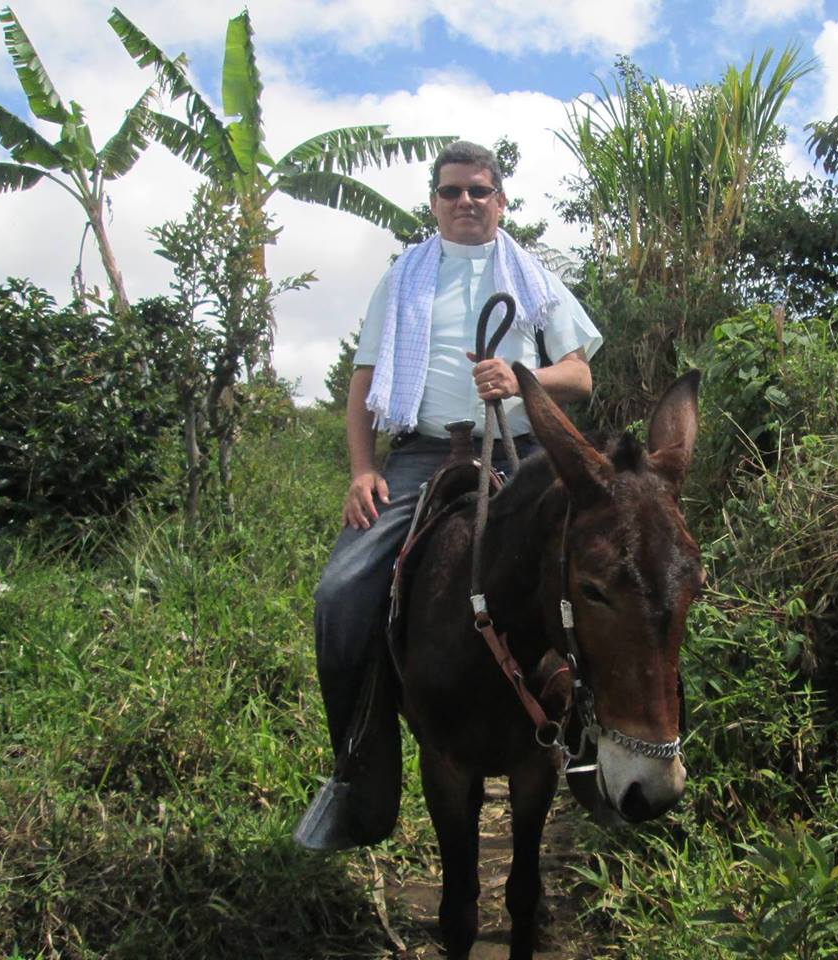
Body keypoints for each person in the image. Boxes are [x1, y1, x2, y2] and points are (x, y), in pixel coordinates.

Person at [297, 141, 602, 850]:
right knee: (339, 595)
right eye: (451, 191)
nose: (465, 201)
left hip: (522, 448)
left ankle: (596, 754)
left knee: (603, 570)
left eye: (478, 190)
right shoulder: (401, 278)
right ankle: (355, 776)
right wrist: (362, 471)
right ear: (434, 203)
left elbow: (580, 376)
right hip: (423, 453)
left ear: (501, 201)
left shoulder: (536, 277)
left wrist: (522, 377)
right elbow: (363, 384)